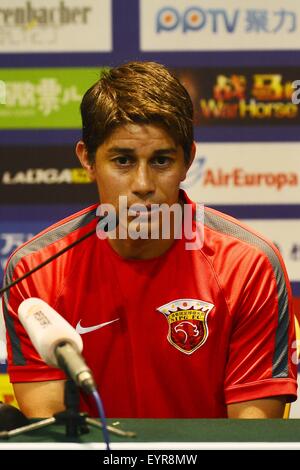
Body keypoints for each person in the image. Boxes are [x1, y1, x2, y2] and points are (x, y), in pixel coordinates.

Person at [2, 61, 297, 419]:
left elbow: (251, 438)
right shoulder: (35, 272)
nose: (142, 184)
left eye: (161, 161)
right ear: (88, 160)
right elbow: (52, 433)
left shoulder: (249, 265)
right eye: (123, 161)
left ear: (188, 160)